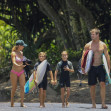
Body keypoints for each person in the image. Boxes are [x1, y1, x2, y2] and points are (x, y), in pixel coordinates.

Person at [81, 28, 110, 109]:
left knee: (102, 84)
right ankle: (93, 103)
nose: (92, 36)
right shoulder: (88, 45)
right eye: (91, 34)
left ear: (98, 35)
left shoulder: (103, 45)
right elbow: (83, 56)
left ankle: (103, 103)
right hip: (91, 67)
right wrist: (83, 67)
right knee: (92, 86)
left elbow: (107, 56)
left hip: (100, 66)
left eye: (93, 34)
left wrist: (109, 68)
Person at [10, 40, 27, 107]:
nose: (23, 47)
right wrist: (19, 65)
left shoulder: (21, 53)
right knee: (14, 87)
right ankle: (12, 102)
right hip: (14, 72)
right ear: (19, 46)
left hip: (21, 72)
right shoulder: (13, 53)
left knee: (22, 87)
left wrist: (25, 63)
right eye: (23, 46)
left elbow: (22, 61)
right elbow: (14, 62)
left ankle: (22, 103)